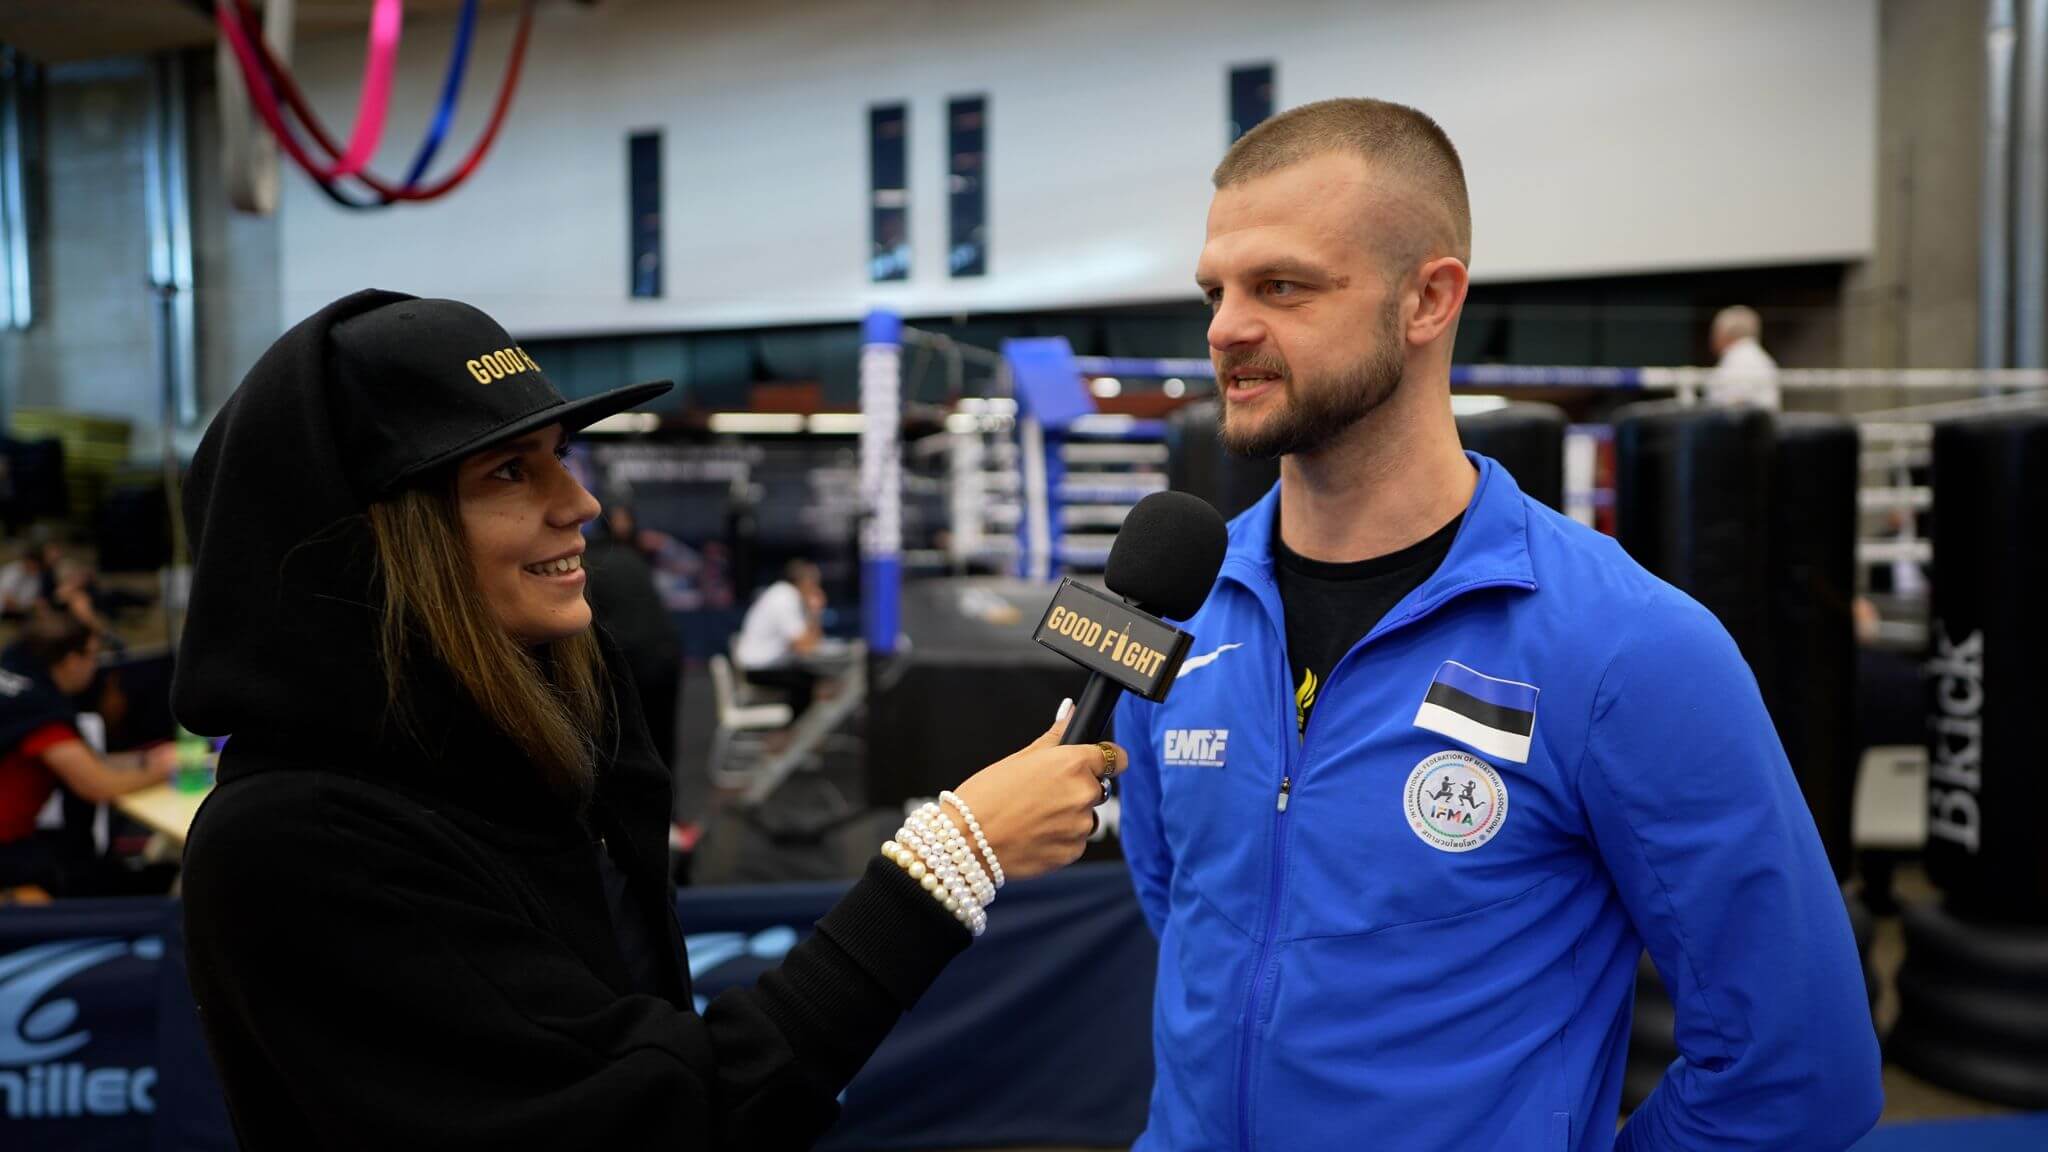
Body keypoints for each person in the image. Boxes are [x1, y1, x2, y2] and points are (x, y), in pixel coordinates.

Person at [174, 291, 1122, 1149]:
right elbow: (652, 1121)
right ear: (376, 541)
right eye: (510, 471)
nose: (578, 502)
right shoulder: (296, 842)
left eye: (559, 459)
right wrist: (949, 860)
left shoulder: (542, 736)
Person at [1116, 99, 1881, 1151]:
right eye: (1216, 290)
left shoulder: (1625, 649)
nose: (1223, 329)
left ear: (1427, 299)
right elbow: (1184, 915)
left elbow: (1795, 1067)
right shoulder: (1184, 605)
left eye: (1280, 285)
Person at [0, 613, 176, 893]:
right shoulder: (40, 716)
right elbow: (97, 785)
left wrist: (143, 761)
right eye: (92, 657)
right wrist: (163, 768)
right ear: (71, 660)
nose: (95, 668)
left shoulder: (12, 679)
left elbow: (84, 761)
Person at [583, 501, 684, 770]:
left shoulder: (589, 563)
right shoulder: (632, 557)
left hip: (634, 661)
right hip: (664, 656)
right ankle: (670, 808)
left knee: (624, 745)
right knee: (661, 740)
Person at [734, 557, 829, 717]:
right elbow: (805, 646)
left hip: (767, 665)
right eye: (815, 582)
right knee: (813, 683)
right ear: (804, 581)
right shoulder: (784, 598)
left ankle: (803, 734)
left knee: (813, 678)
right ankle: (798, 736)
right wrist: (815, 610)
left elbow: (808, 643)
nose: (817, 588)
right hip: (758, 668)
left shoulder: (785, 595)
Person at [1703, 303, 1782, 410]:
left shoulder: (1739, 358)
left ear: (1725, 333)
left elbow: (1734, 404)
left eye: (1715, 333)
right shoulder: (1758, 356)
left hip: (1744, 425)